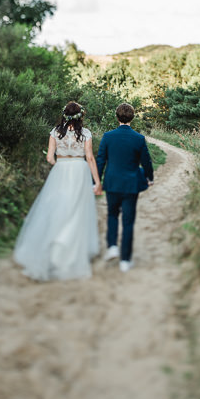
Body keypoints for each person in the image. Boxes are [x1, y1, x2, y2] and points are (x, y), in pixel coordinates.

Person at [13, 102, 102, 281]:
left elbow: (49, 157)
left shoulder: (55, 132)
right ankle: (68, 252)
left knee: (57, 209)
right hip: (79, 170)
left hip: (61, 169)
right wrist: (97, 181)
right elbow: (90, 157)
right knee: (75, 211)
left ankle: (53, 249)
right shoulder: (85, 133)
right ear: (80, 116)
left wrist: (59, 165)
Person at [96, 103, 154, 272]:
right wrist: (149, 177)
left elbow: (100, 160)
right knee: (128, 221)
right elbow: (146, 161)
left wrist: (97, 181)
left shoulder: (107, 137)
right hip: (131, 185)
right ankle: (125, 261)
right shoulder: (138, 138)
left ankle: (112, 246)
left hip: (112, 183)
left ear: (117, 117)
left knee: (112, 215)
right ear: (132, 117)